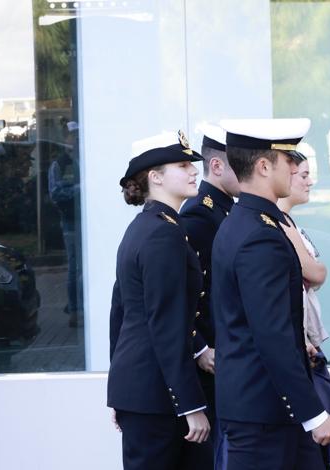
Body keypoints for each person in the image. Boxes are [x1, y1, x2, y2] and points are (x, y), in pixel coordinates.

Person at [213, 118, 330, 470]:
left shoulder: (246, 222)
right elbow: (272, 333)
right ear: (263, 165)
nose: (295, 167)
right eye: (288, 159)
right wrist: (314, 414)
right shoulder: (259, 234)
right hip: (264, 413)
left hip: (266, 408)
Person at [109, 131, 212, 470]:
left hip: (143, 389)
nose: (193, 170)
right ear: (155, 177)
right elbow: (166, 323)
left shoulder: (147, 226)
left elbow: (120, 314)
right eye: (183, 165)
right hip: (156, 395)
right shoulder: (162, 232)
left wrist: (120, 390)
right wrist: (189, 404)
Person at [179, 125, 239, 451]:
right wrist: (200, 347)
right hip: (211, 361)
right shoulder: (200, 216)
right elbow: (186, 295)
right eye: (238, 163)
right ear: (216, 166)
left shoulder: (225, 209)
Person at [275, 155, 329, 366]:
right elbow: (315, 274)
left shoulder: (286, 219)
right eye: (304, 175)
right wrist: (319, 269)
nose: (310, 182)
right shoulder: (281, 222)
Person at [48, 121, 82, 327]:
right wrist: (81, 188)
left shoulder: (87, 157)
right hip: (71, 222)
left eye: (79, 135)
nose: (76, 139)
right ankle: (74, 310)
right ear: (66, 139)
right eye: (73, 135)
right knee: (74, 268)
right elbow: (55, 193)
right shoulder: (59, 164)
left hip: (91, 223)